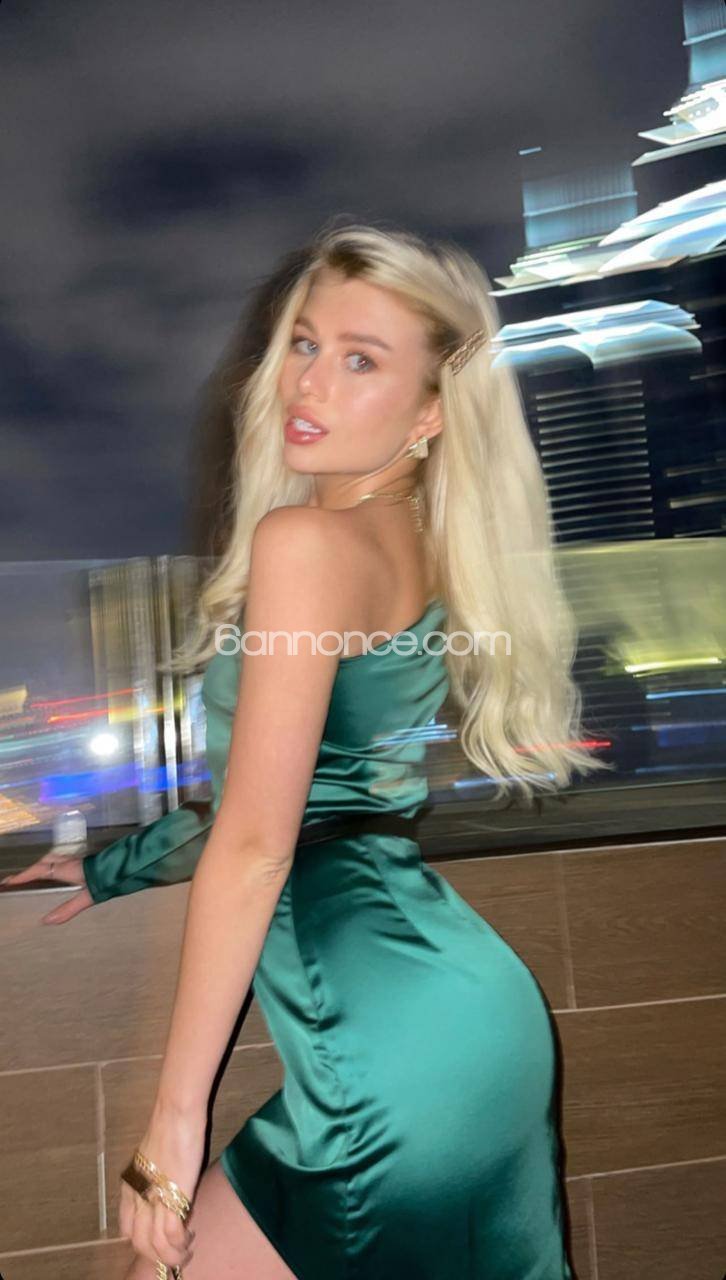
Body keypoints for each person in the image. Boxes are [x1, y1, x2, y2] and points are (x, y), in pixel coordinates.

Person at [2, 222, 608, 1279]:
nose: (309, 381)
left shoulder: (308, 545)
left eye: (361, 359)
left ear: (430, 412)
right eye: (305, 342)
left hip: (389, 1045)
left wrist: (173, 1126)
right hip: (460, 1020)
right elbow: (329, 797)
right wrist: (109, 867)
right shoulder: (417, 545)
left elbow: (258, 844)